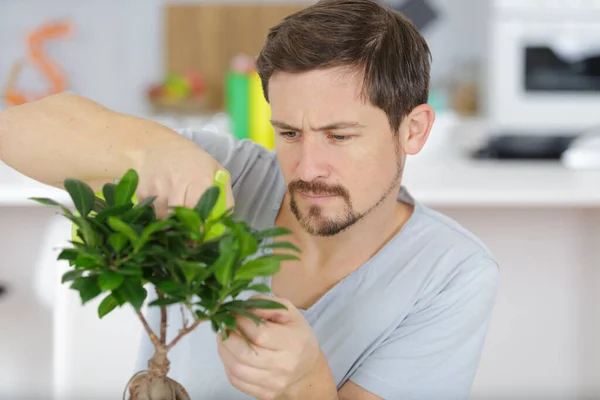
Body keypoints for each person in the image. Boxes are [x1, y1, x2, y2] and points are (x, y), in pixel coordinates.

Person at [0, 0, 499, 398]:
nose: (306, 168)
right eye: (288, 132)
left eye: (340, 136)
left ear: (413, 130)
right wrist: (156, 150)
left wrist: (304, 387)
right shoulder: (229, 174)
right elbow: (17, 130)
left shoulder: (452, 274)